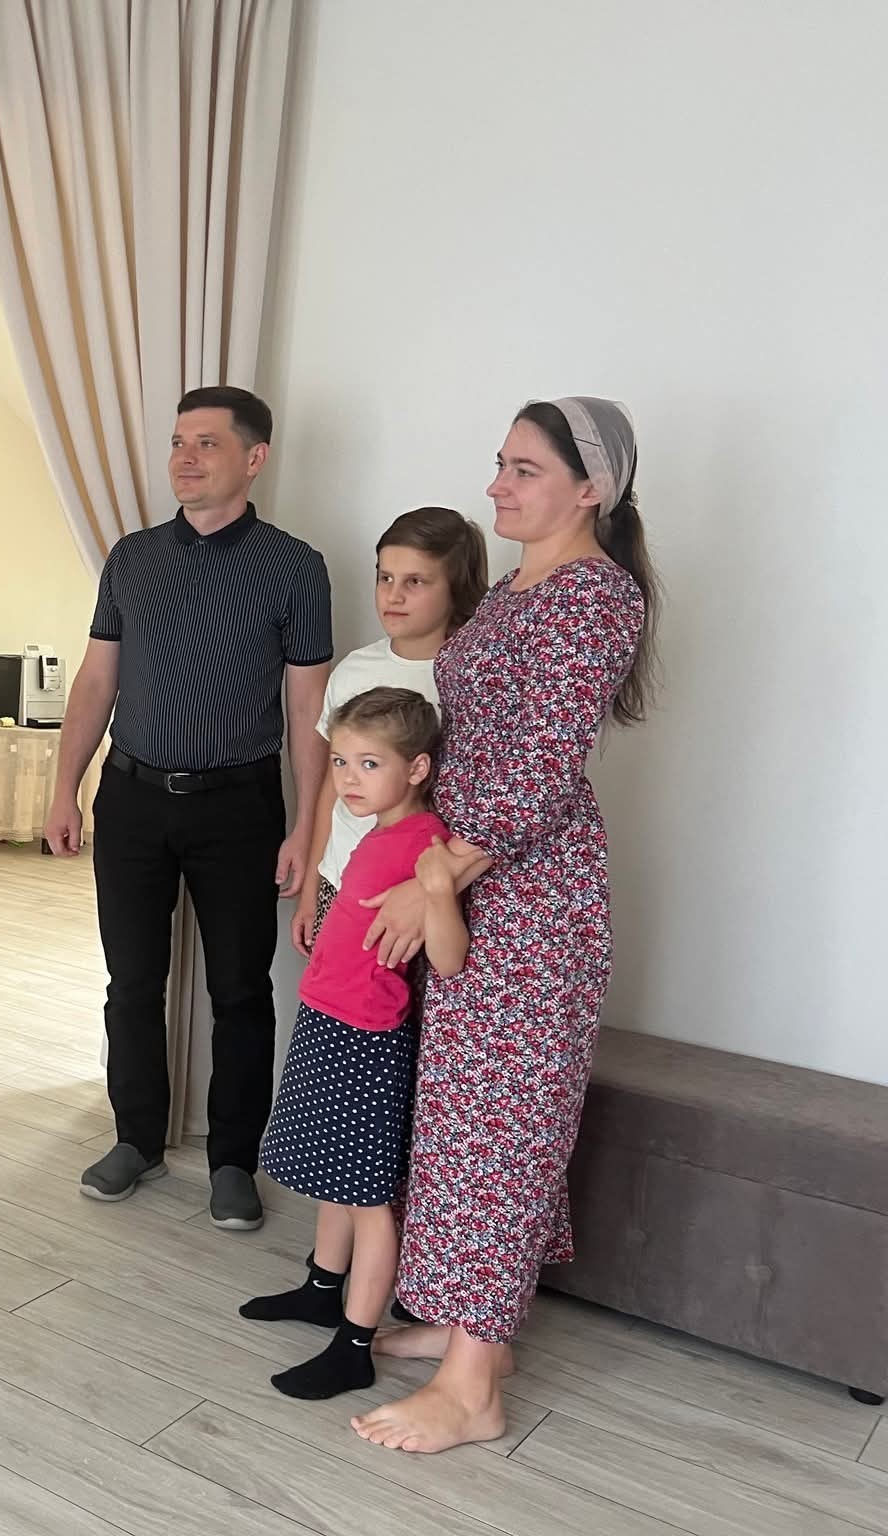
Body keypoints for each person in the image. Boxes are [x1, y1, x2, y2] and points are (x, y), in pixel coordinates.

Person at [351, 397, 656, 1453]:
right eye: (500, 464)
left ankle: (474, 1389)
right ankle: (464, 1327)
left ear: (591, 488)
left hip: (532, 897)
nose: (497, 485)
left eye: (524, 469)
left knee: (504, 1125)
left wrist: (435, 876)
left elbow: (540, 767)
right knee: (457, 1118)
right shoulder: (513, 592)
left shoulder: (594, 596)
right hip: (469, 881)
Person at [44, 385, 333, 1229]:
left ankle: (234, 1160)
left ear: (254, 458)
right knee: (131, 982)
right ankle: (135, 1138)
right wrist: (65, 787)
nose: (185, 457)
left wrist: (308, 830)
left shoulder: (294, 567)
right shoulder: (132, 558)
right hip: (132, 797)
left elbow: (309, 710)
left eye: (207, 442)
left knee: (241, 991)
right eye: (178, 441)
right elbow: (97, 679)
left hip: (239, 806)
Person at [242, 687, 468, 1400]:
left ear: (417, 768)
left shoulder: (427, 845)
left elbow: (449, 957)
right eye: (341, 761)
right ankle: (321, 1288)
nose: (348, 778)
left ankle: (356, 1344)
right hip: (327, 1017)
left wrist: (438, 893)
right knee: (334, 1179)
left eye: (370, 764)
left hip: (366, 1038)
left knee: (367, 1198)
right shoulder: (377, 831)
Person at [291, 508, 487, 958]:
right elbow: (332, 787)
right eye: (385, 578)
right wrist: (314, 886)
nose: (393, 595)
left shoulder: (474, 676)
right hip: (342, 880)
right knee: (333, 995)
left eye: (415, 581)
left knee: (400, 1002)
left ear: (454, 587)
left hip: (423, 891)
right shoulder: (353, 670)